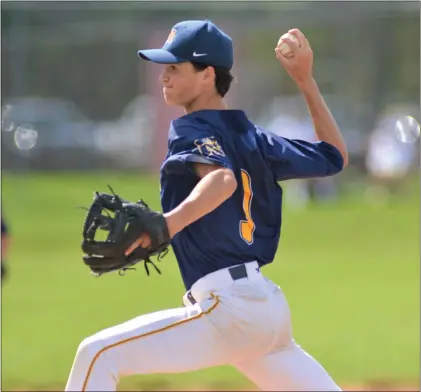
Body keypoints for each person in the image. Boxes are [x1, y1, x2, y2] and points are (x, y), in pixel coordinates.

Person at [65, 20, 348, 391]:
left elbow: (222, 180)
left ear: (207, 75)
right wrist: (305, 81)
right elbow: (334, 156)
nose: (164, 77)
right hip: (264, 309)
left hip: (231, 311)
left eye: (174, 67)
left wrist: (167, 225)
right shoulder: (254, 136)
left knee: (98, 354)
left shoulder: (192, 127)